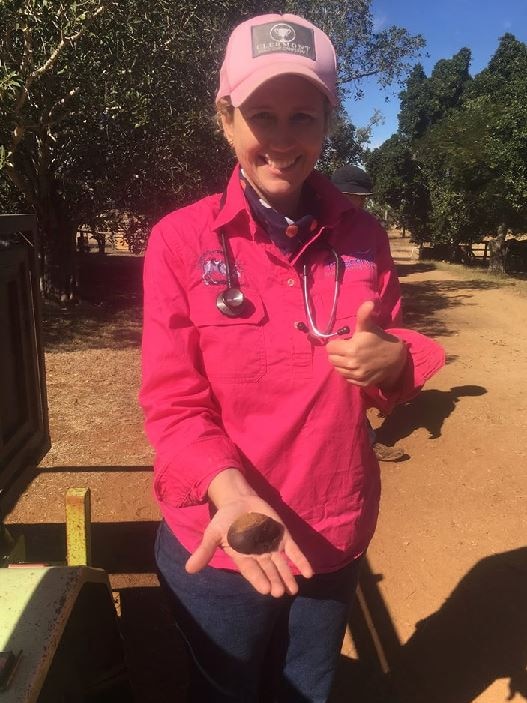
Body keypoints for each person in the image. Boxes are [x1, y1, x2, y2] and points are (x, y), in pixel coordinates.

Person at [140, 13, 445, 703]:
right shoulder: (180, 241)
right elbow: (171, 403)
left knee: (306, 685)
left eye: (302, 116)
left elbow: (389, 370)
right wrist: (230, 491)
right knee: (224, 688)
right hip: (224, 539)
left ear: (327, 122)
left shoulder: (364, 235)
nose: (281, 139)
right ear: (225, 119)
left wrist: (391, 362)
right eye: (261, 115)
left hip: (333, 530)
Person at [331, 164, 407, 463]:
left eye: (360, 197)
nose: (355, 203)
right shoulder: (309, 223)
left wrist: (392, 327)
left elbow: (387, 280)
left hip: (360, 323)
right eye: (348, 196)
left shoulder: (371, 229)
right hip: (319, 323)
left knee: (356, 385)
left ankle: (366, 440)